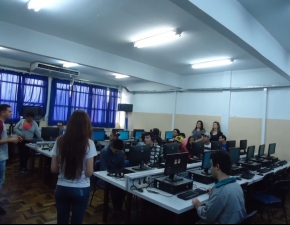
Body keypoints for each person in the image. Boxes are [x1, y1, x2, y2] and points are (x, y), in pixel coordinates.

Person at [51, 110, 97, 224]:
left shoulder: (59, 140)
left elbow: (53, 169)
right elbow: (89, 173)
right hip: (81, 189)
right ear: (87, 125)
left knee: (61, 221)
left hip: (62, 188)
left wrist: (62, 167)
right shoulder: (89, 143)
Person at [192, 151, 247, 224]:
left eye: (211, 165)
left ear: (217, 167)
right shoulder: (236, 184)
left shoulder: (220, 191)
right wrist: (214, 193)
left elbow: (207, 217)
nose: (210, 168)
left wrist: (198, 205)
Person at [0, 104, 22, 215]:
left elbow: (2, 138)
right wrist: (10, 140)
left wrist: (12, 138)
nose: (11, 113)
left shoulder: (2, 124)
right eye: (9, 111)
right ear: (3, 112)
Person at [99, 139, 126, 212]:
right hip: (105, 177)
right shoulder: (104, 152)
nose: (117, 153)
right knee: (115, 188)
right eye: (116, 151)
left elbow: (121, 167)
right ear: (112, 147)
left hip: (116, 176)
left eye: (119, 151)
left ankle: (118, 207)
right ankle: (116, 208)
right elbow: (103, 169)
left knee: (123, 187)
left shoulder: (121, 153)